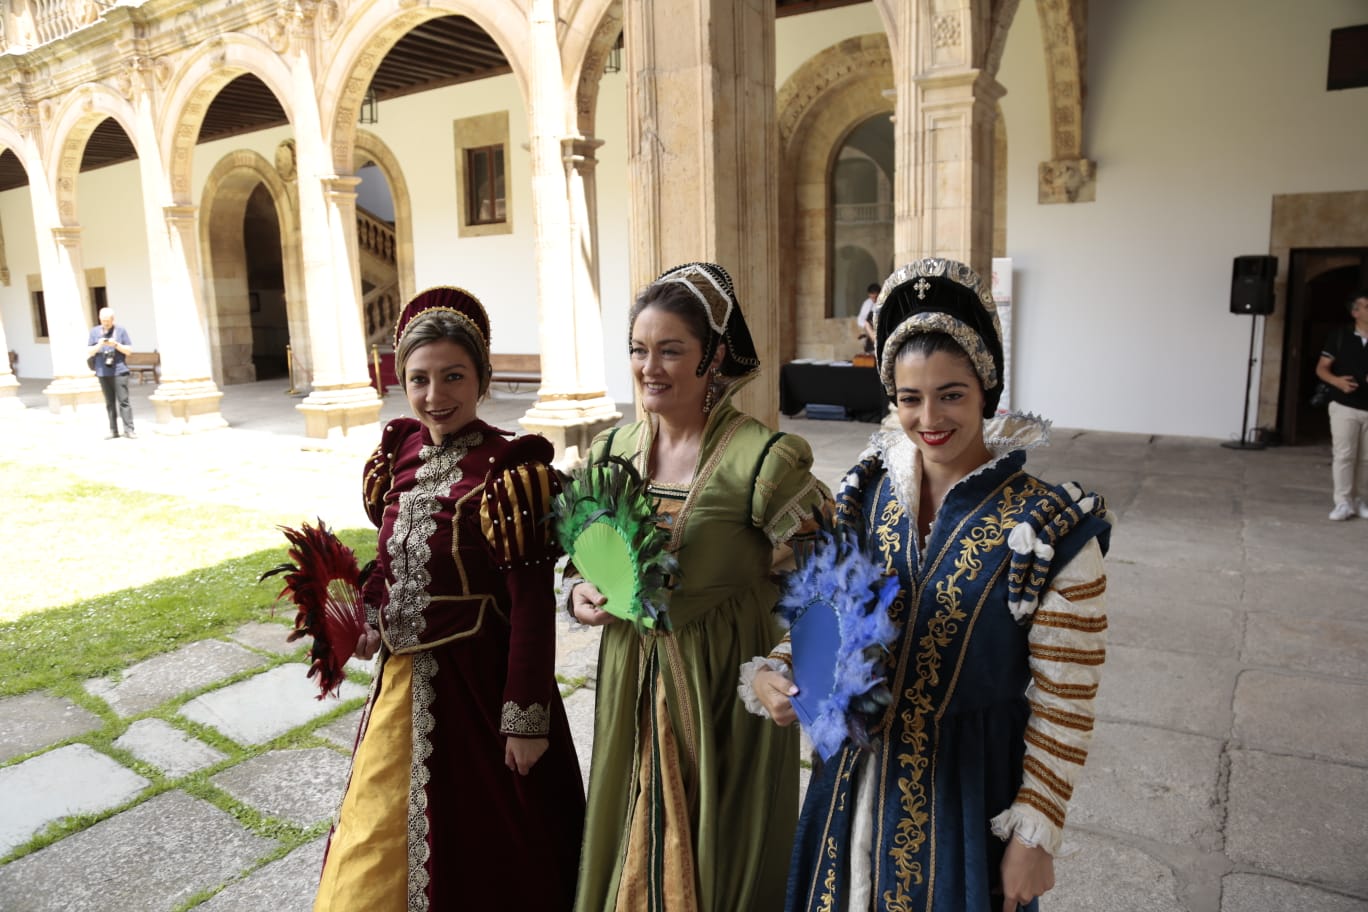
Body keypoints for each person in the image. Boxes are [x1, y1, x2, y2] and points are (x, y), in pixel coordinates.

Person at [750, 258, 1112, 912]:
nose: (929, 418)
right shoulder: (867, 497)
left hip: (967, 795)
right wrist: (781, 671)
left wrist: (1036, 834)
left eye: (952, 394)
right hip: (851, 788)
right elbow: (828, 613)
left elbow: (1067, 703)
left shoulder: (1048, 529)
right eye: (910, 398)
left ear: (987, 392)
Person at [568, 262, 831, 912]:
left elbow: (833, 579)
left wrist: (789, 667)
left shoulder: (762, 461)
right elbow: (583, 559)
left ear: (712, 357)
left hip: (724, 683)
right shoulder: (610, 451)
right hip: (631, 676)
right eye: (638, 350)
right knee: (632, 839)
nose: (649, 367)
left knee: (717, 861)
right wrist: (578, 594)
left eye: (670, 351)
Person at [313, 287, 584, 912]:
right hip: (400, 686)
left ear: (483, 379)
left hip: (481, 689)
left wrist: (525, 720)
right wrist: (372, 619)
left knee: (486, 851)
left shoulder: (510, 470)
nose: (436, 396)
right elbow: (388, 562)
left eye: (453, 377)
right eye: (419, 379)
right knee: (375, 836)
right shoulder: (400, 453)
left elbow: (531, 607)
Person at [1315, 289, 1368, 521]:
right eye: (1367, 306)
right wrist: (1337, 381)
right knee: (1344, 455)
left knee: (1367, 459)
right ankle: (1343, 502)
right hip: (1344, 406)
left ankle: (1360, 501)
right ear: (1355, 312)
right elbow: (1321, 368)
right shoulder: (1340, 336)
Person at [86, 307, 136, 439]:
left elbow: (129, 351)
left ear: (113, 319)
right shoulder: (95, 332)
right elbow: (90, 351)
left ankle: (129, 430)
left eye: (108, 321)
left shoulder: (120, 331)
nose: (105, 323)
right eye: (103, 321)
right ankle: (113, 430)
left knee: (124, 401)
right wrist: (99, 345)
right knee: (109, 403)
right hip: (102, 371)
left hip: (119, 370)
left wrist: (116, 345)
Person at [856, 283, 880, 354]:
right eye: (872, 297)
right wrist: (868, 327)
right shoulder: (867, 303)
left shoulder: (885, 301)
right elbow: (860, 319)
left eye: (876, 297)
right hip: (871, 336)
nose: (874, 300)